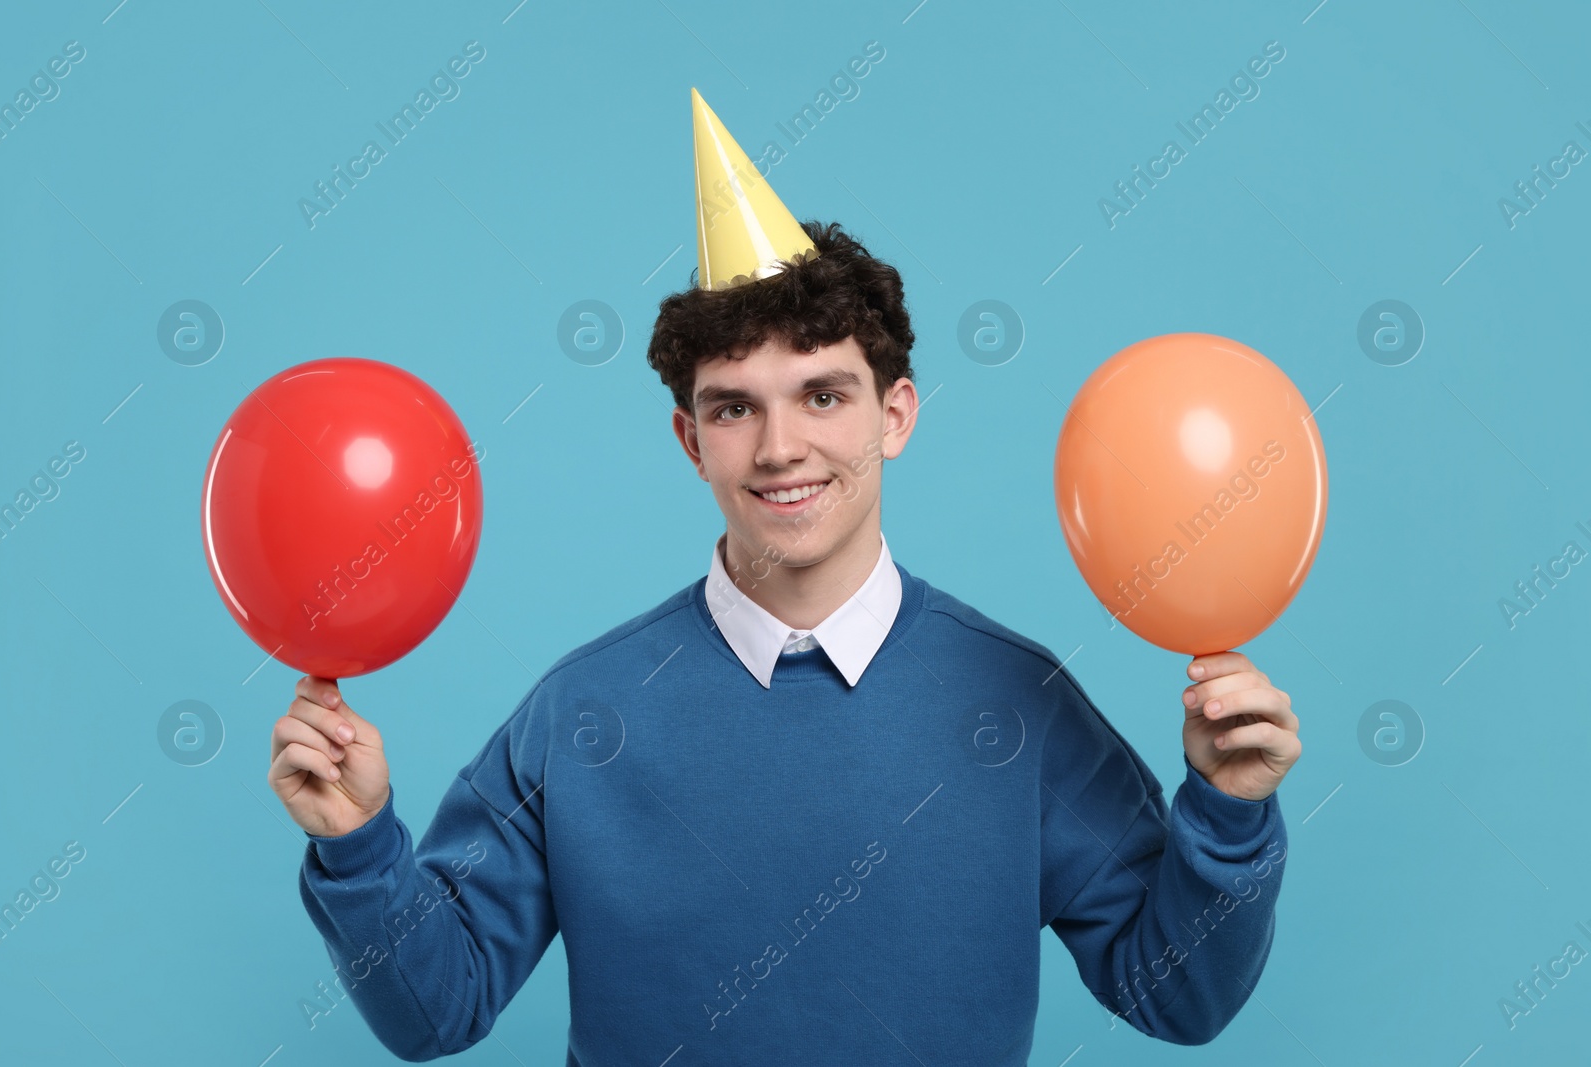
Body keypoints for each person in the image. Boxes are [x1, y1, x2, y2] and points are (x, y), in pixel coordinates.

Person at [270, 91, 1301, 1065]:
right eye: (733, 407)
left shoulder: (1020, 706)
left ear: (893, 414)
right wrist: (359, 841)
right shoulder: (580, 712)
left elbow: (1179, 994)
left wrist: (1228, 806)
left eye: (821, 395)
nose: (779, 447)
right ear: (690, 439)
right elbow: (437, 1005)